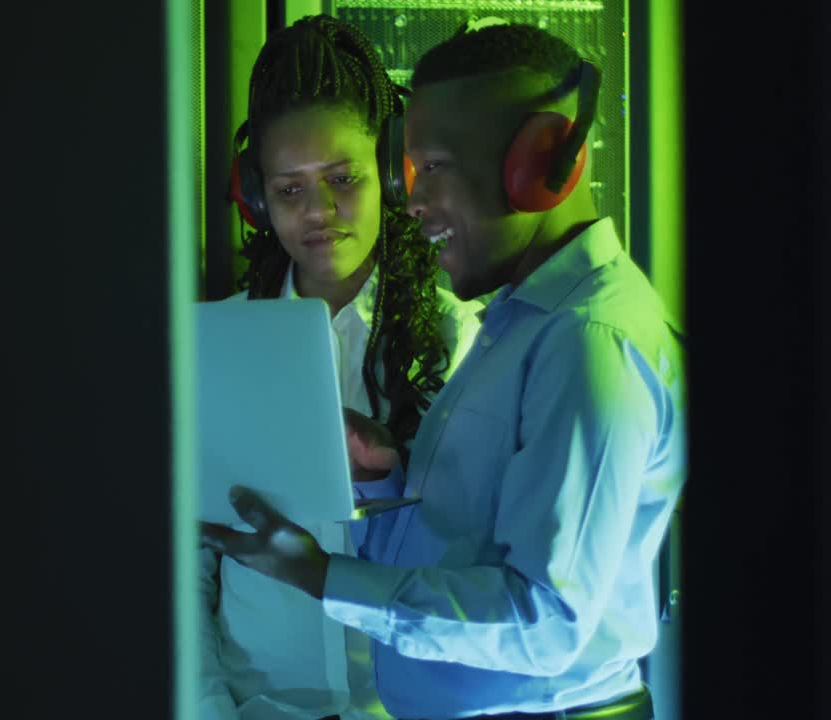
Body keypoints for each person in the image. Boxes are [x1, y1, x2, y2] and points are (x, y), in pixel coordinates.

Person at [203, 19, 686, 720]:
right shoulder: (523, 327)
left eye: (432, 168)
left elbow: (545, 622)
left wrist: (323, 577)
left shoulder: (590, 341)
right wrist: (391, 475)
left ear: (542, 164)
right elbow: (471, 537)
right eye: (410, 171)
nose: (415, 202)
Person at [200, 15, 484, 720]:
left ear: (393, 173)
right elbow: (183, 562)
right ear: (258, 198)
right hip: (256, 705)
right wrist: (208, 708)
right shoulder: (215, 343)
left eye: (343, 178)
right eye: (290, 189)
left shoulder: (465, 339)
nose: (320, 211)